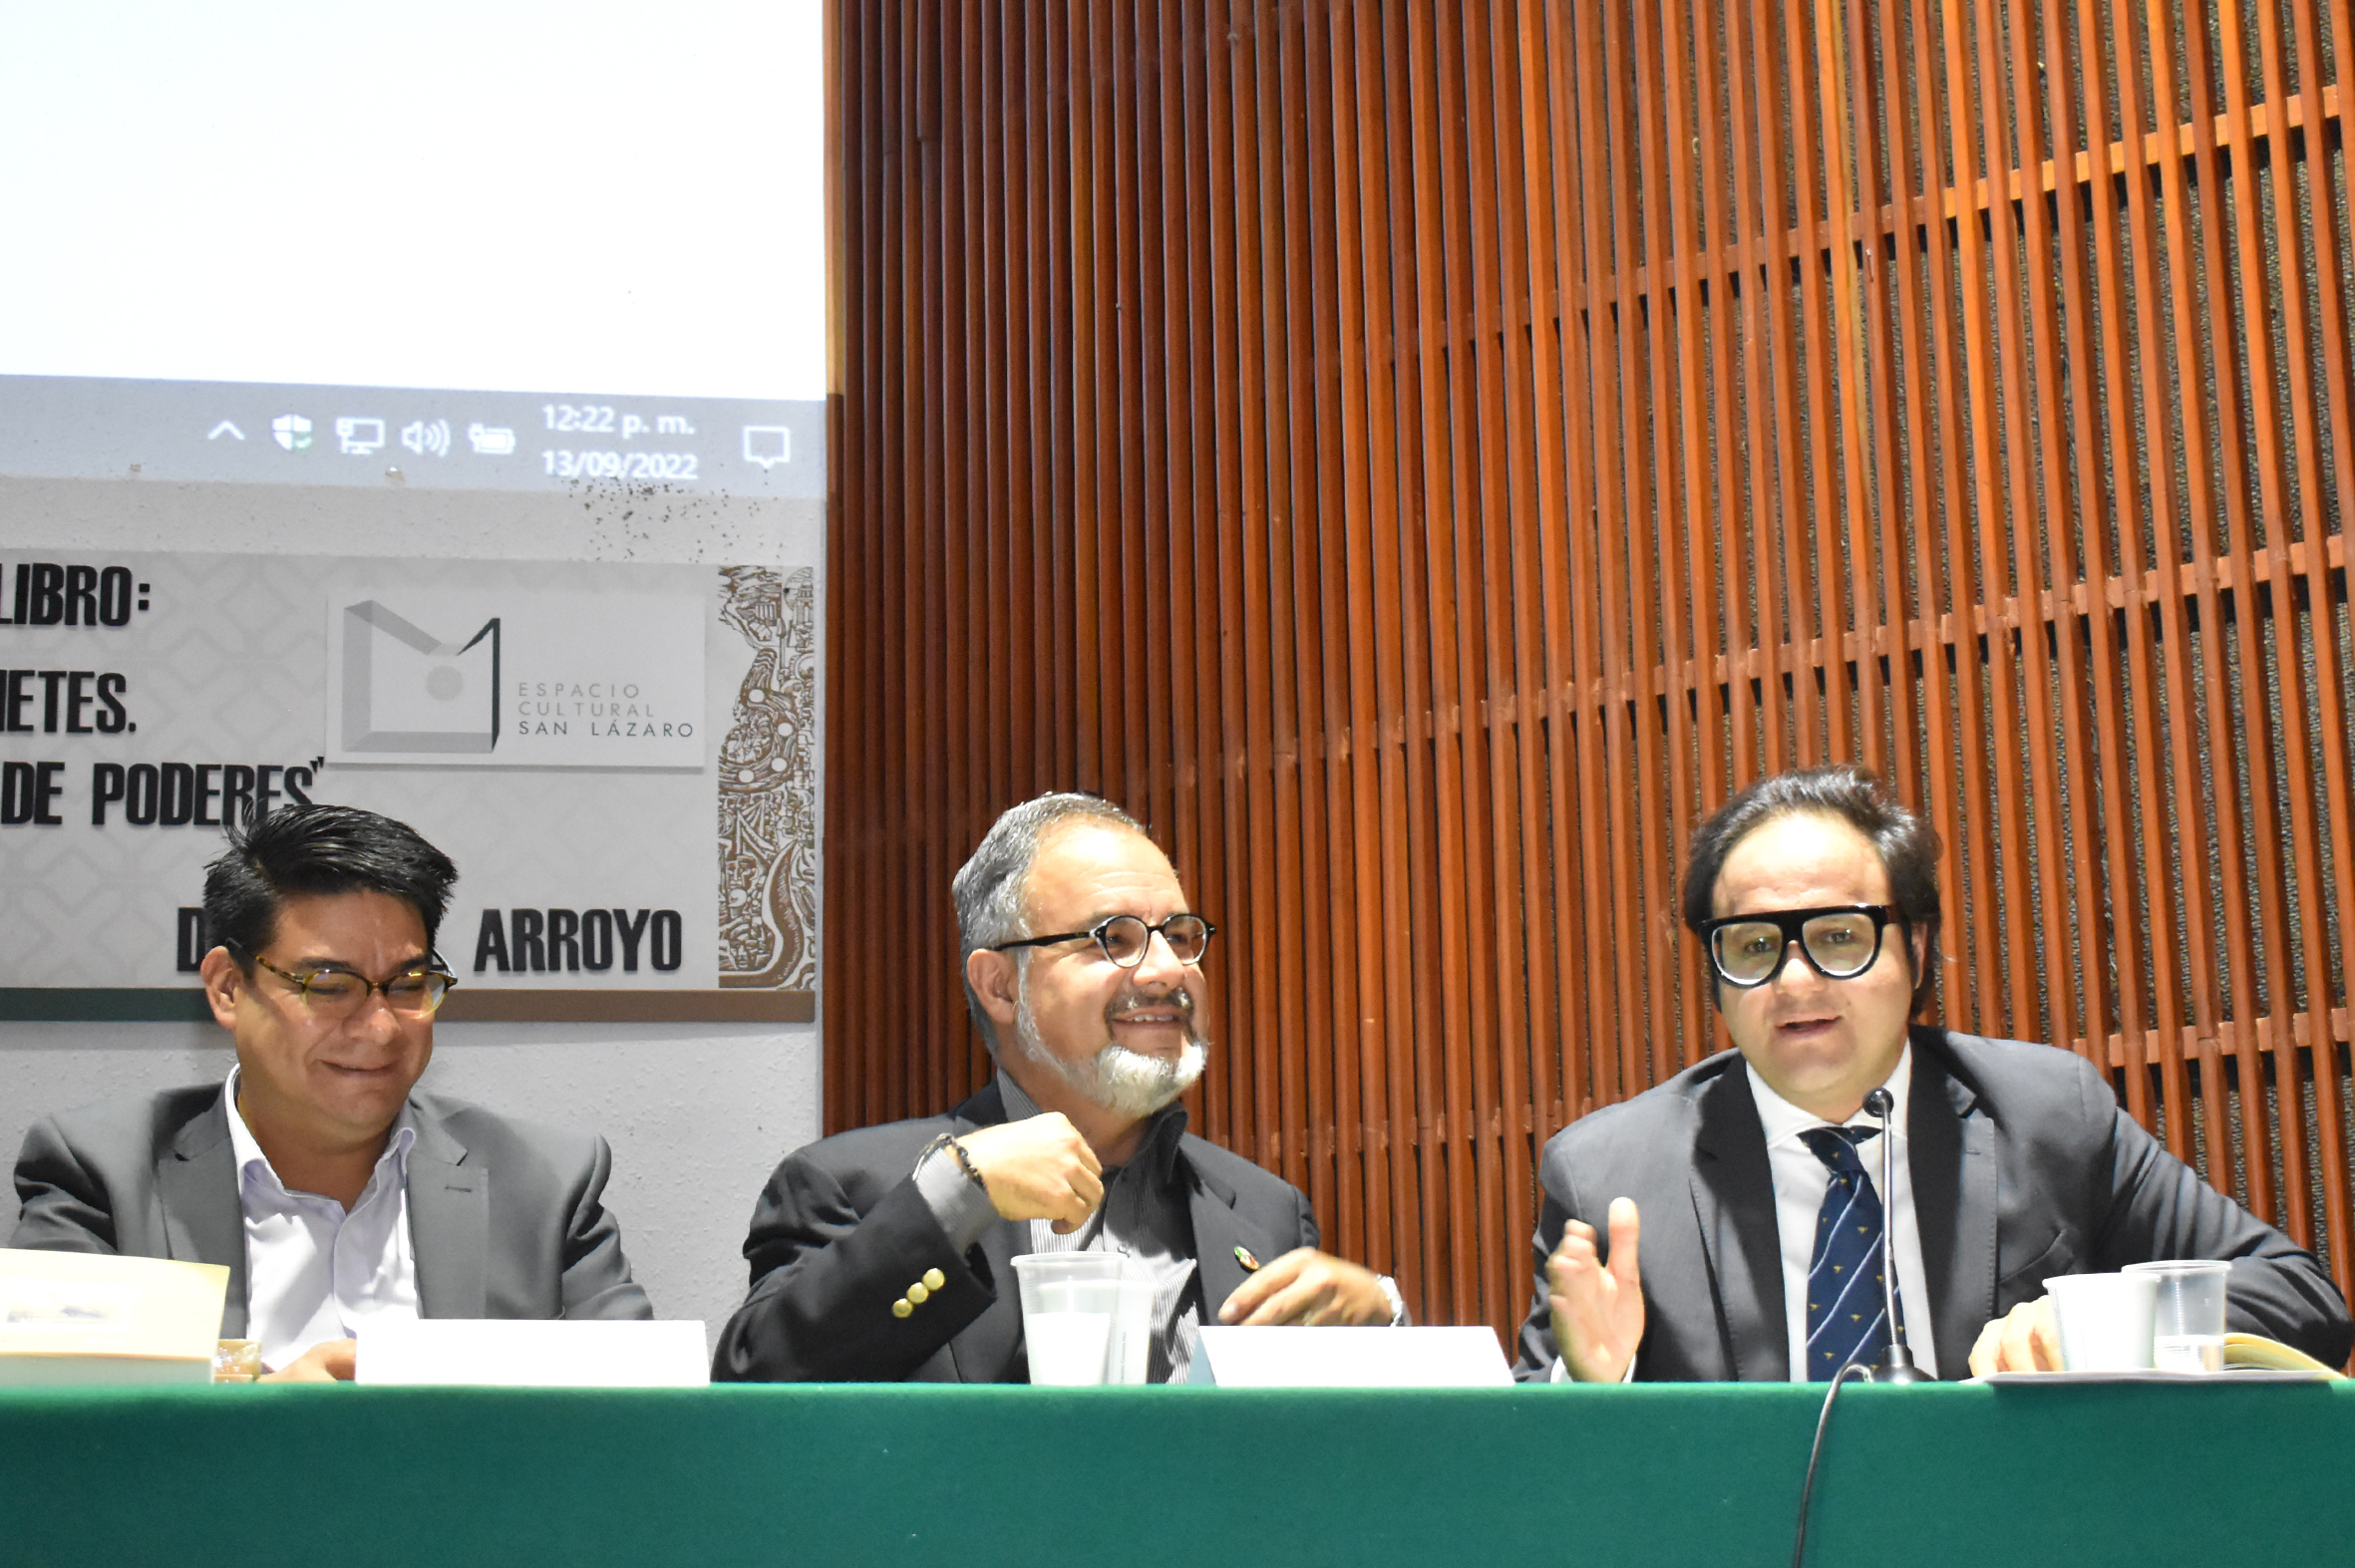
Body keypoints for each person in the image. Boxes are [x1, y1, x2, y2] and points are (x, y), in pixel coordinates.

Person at [1514, 764, 2352, 1383]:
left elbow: (2302, 1300)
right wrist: (1589, 1389)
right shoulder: (1609, 1175)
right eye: (1755, 944)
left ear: (1915, 947)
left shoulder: (2047, 1115)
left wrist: (2091, 1323)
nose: (1795, 979)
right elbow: (1526, 1470)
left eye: (1838, 935)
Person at [713, 791, 1404, 1383]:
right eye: (1114, 938)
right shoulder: (856, 1187)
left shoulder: (1265, 1210)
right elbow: (754, 1386)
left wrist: (1384, 1323)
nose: (1168, 969)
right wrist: (956, 1196)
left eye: (1178, 935)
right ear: (1000, 986)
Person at [10, 803, 651, 1380]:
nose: (380, 1028)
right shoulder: (104, 1174)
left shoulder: (544, 1183)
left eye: (408, 985)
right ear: (228, 988)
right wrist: (266, 1399)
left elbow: (638, 1407)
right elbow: (61, 1401)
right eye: (329, 985)